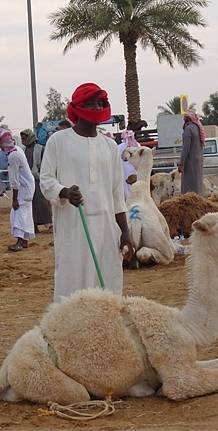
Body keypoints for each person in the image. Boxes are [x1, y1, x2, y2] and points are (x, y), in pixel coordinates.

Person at [40, 82, 135, 303]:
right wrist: (63, 191)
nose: (95, 107)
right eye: (89, 103)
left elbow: (116, 195)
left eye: (99, 103)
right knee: (73, 284)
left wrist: (126, 234)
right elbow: (45, 181)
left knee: (108, 285)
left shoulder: (110, 146)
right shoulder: (58, 141)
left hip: (106, 229)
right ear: (76, 107)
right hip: (74, 228)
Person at [0, 129, 35, 251]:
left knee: (17, 212)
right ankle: (24, 240)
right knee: (25, 212)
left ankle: (20, 241)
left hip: (23, 188)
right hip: (28, 186)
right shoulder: (17, 149)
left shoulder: (13, 155)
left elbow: (14, 181)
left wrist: (14, 199)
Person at [21, 128, 52, 232]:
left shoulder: (41, 149)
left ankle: (49, 224)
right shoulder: (23, 150)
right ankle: (34, 225)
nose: (23, 140)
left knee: (43, 202)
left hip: (39, 179)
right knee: (31, 204)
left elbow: (45, 164)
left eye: (25, 138)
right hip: (28, 182)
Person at [178, 110, 205, 194]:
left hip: (190, 162)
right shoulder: (197, 128)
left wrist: (181, 163)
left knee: (189, 186)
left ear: (187, 119)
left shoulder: (188, 129)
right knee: (197, 184)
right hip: (198, 160)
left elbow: (186, 148)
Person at [116, 130, 139, 201]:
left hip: (125, 169)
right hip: (132, 168)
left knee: (126, 185)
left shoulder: (120, 147)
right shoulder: (137, 145)